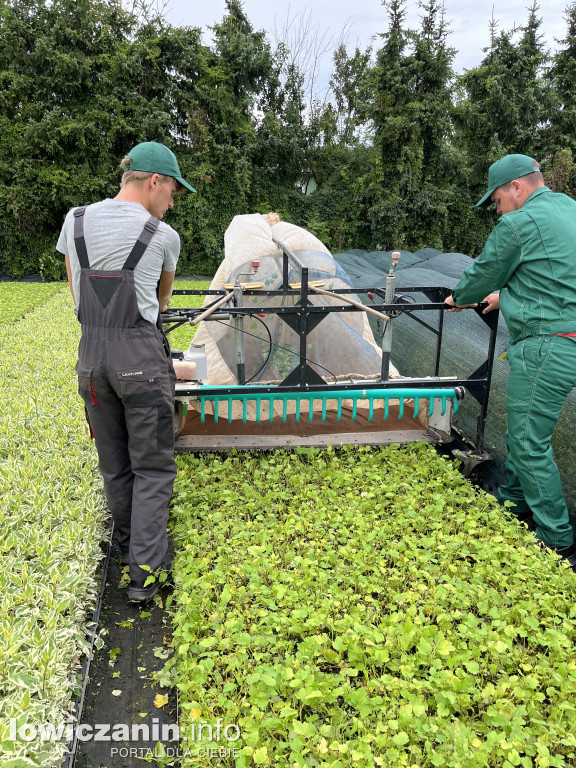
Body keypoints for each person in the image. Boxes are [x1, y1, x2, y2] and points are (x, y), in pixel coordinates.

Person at [57, 141, 196, 600]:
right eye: (173, 190)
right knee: (153, 468)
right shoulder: (161, 235)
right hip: (141, 364)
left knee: (115, 466)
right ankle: (145, 575)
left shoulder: (74, 222)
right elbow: (161, 303)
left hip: (92, 362)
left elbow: (77, 295)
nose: (172, 201)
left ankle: (124, 548)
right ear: (154, 181)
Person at [445, 153, 576, 569]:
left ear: (517, 187)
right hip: (567, 334)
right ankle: (515, 500)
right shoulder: (568, 209)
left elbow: (483, 273)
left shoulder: (517, 225)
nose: (497, 209)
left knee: (526, 441)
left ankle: (557, 540)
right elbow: (554, 273)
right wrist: (509, 296)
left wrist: (459, 298)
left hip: (547, 344)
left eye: (497, 200)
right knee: (524, 428)